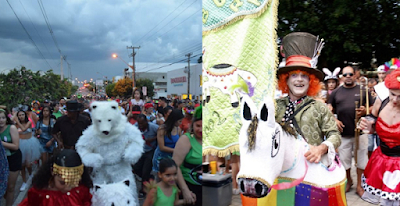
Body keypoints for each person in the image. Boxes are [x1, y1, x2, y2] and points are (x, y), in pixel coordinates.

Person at [276, 32, 341, 165]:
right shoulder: (275, 106)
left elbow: (335, 135)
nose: (299, 80)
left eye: (304, 76)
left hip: (311, 171)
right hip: (281, 171)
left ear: (311, 81)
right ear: (286, 80)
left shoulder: (319, 107)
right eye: (294, 75)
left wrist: (321, 149)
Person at [328, 65, 373, 195]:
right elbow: (329, 108)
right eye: (345, 75)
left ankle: (360, 185)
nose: (348, 77)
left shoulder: (363, 90)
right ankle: (349, 181)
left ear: (355, 75)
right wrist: (334, 120)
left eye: (350, 74)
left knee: (361, 160)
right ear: (342, 77)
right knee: (344, 160)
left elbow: (372, 108)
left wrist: (365, 111)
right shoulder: (336, 92)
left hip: (361, 131)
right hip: (343, 133)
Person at [358, 67, 400, 205]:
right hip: (381, 160)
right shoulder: (381, 102)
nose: (395, 99)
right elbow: (372, 121)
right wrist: (368, 126)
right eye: (392, 94)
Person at [18, 149, 93, 206]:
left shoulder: (82, 189)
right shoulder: (38, 193)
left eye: (74, 182)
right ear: (52, 172)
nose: (68, 188)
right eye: (62, 182)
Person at [173, 105, 202, 206]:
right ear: (192, 125)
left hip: (210, 189)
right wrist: (185, 190)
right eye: (198, 126)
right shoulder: (186, 140)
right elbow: (175, 166)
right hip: (190, 189)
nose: (201, 130)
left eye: (204, 126)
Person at [14, 110, 42, 191]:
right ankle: (24, 181)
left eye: (22, 115)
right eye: (19, 115)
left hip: (29, 144)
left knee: (28, 164)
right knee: (21, 165)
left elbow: (23, 129)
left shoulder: (29, 122)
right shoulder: (15, 125)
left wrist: (16, 121)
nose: (21, 116)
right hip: (20, 144)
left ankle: (30, 175)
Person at [152, 109, 184, 176]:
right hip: (161, 156)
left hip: (172, 157)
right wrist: (176, 151)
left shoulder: (178, 129)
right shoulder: (162, 129)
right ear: (174, 120)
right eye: (179, 121)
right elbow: (162, 147)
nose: (180, 123)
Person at [133, 114, 159, 195]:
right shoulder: (135, 127)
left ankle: (143, 190)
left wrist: (154, 138)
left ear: (146, 122)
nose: (140, 125)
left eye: (142, 123)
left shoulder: (154, 127)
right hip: (140, 151)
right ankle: (149, 177)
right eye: (139, 123)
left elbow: (162, 133)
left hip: (150, 151)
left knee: (145, 171)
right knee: (135, 168)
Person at [0, 109, 21, 206]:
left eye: (3, 118)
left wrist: (1, 143)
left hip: (13, 159)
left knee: (11, 187)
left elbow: (16, 146)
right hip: (1, 161)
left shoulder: (11, 128)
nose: (1, 120)